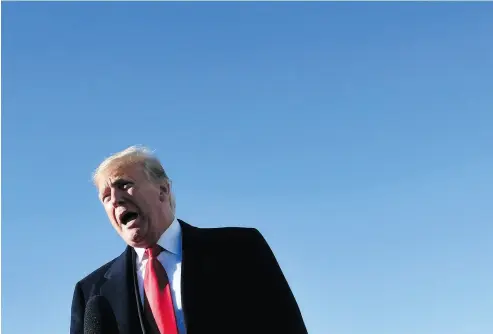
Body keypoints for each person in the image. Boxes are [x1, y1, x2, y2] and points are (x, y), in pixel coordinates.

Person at [70, 145, 307, 334]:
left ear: (163, 190)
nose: (115, 199)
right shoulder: (90, 291)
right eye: (106, 196)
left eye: (124, 185)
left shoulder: (241, 249)